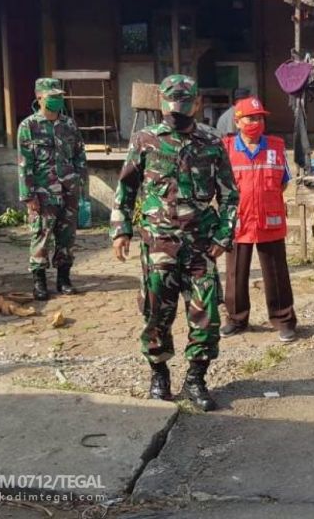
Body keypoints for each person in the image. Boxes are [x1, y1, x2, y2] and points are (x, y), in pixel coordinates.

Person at [111, 74, 239, 411]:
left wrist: (223, 236)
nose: (178, 111)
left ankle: (196, 378)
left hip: (200, 246)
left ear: (197, 103)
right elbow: (125, 190)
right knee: (155, 314)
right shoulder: (145, 141)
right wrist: (120, 230)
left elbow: (229, 196)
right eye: (173, 104)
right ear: (162, 103)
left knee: (207, 315)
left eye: (185, 103)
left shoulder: (212, 144)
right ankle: (159, 373)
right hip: (158, 244)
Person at [220, 96, 298, 343]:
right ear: (238, 121)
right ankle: (236, 319)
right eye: (251, 118)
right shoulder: (227, 148)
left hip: (269, 218)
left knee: (276, 273)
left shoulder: (276, 146)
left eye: (260, 117)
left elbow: (283, 181)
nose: (256, 122)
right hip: (239, 220)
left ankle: (283, 320)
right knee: (235, 273)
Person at [17, 78, 87, 301]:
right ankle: (39, 282)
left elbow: (79, 154)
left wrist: (80, 180)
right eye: (52, 96)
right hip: (43, 192)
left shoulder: (69, 124)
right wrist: (28, 196)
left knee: (67, 236)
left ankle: (64, 279)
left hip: (69, 189)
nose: (57, 100)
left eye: (59, 96)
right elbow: (24, 164)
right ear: (39, 97)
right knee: (42, 234)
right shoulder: (28, 127)